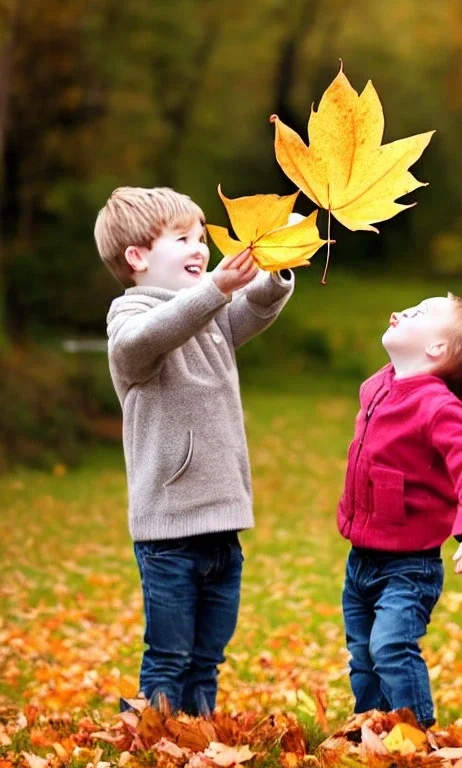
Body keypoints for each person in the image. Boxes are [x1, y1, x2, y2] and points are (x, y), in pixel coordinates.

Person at [94, 186, 295, 715]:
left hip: (222, 523)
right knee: (169, 654)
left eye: (201, 237)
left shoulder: (209, 313)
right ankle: (157, 736)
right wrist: (212, 290)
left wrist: (277, 270)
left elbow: (250, 311)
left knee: (207, 656)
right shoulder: (129, 316)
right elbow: (142, 342)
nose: (199, 248)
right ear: (136, 257)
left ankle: (199, 734)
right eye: (182, 238)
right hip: (168, 532)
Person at [337, 293, 462, 728]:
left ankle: (416, 735)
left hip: (409, 566)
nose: (402, 310)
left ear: (437, 350)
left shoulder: (440, 407)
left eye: (419, 313)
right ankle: (369, 729)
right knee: (363, 656)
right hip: (362, 560)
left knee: (391, 647)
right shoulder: (382, 385)